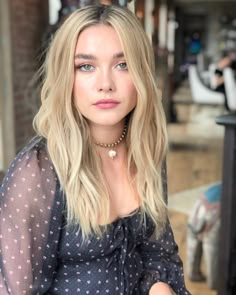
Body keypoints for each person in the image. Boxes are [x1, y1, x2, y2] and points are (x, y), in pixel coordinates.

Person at [0, 4, 190, 295]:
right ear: (67, 77)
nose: (105, 84)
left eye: (122, 64)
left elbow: (158, 254)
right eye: (86, 66)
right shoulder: (38, 171)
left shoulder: (147, 149)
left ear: (141, 74)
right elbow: (16, 290)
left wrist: (161, 288)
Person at [186, 183, 221, 289]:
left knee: (193, 241)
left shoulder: (217, 186)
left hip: (199, 206)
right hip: (217, 214)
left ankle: (193, 273)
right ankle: (214, 282)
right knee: (211, 248)